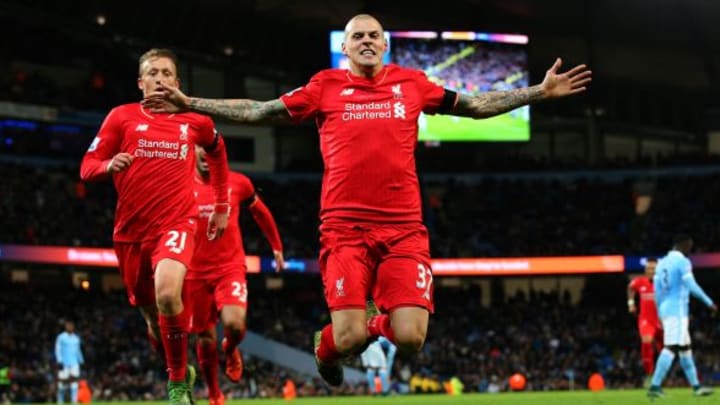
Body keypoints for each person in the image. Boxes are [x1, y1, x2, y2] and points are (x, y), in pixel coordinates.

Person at [142, 14, 592, 386]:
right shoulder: (324, 87)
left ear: (386, 45)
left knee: (412, 337)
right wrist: (189, 102)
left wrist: (539, 92)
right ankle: (327, 348)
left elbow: (474, 106)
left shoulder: (412, 84)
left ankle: (373, 321)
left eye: (373, 35)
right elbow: (260, 110)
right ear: (346, 47)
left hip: (403, 231)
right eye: (357, 36)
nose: (365, 41)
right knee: (350, 337)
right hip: (344, 231)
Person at [80, 48, 231, 404]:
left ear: (177, 83)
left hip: (177, 222)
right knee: (151, 316)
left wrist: (222, 204)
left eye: (167, 73)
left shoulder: (195, 121)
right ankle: (179, 366)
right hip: (131, 232)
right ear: (141, 82)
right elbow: (87, 165)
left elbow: (218, 152)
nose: (160, 79)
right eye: (153, 73)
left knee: (167, 294)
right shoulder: (121, 117)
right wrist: (108, 166)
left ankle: (177, 384)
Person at [187, 145, 285, 405]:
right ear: (191, 150)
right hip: (193, 273)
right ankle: (214, 394)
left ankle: (230, 348)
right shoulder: (180, 184)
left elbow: (260, 211)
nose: (206, 155)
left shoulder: (238, 182)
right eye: (201, 149)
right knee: (205, 336)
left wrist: (275, 245)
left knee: (234, 324)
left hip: (229, 267)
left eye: (211, 149)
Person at [647, 235, 717, 398]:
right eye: (689, 247)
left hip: (666, 309)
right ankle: (654, 386)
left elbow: (657, 292)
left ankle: (696, 387)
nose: (689, 251)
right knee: (671, 347)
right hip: (677, 312)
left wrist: (659, 313)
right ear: (683, 245)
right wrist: (709, 302)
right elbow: (691, 286)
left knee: (685, 349)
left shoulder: (661, 263)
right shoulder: (683, 262)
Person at [627, 258, 663, 385]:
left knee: (665, 351)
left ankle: (659, 377)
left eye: (653, 269)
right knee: (646, 341)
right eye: (648, 269)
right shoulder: (640, 282)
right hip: (646, 320)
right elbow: (630, 288)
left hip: (662, 321)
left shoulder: (664, 283)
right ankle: (649, 375)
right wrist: (631, 303)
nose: (651, 271)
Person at [55, 321, 83, 404]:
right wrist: (59, 360)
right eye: (68, 326)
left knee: (74, 384)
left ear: (73, 327)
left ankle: (74, 402)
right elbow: (57, 349)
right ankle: (60, 402)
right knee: (62, 384)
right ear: (65, 327)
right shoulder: (61, 337)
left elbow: (78, 350)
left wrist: (81, 360)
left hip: (74, 364)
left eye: (71, 326)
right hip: (64, 363)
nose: (70, 327)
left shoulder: (76, 338)